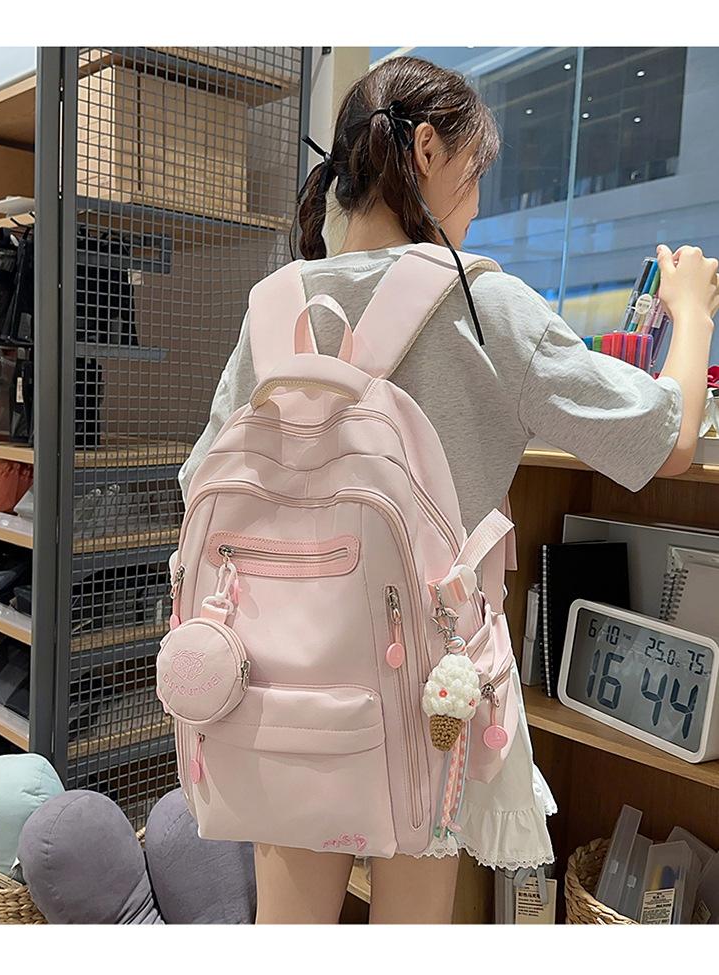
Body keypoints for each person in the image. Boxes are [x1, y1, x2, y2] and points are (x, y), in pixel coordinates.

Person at [178, 56, 719, 924]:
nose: (475, 207)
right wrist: (691, 311)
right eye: (474, 174)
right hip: (430, 691)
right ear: (426, 149)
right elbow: (672, 441)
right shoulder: (481, 303)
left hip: (277, 683)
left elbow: (199, 480)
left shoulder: (273, 306)